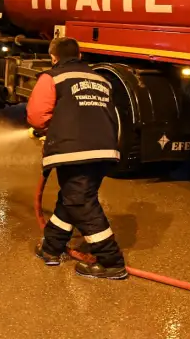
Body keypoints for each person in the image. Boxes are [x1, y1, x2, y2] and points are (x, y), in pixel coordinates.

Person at [26, 37, 127, 280]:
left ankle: (111, 262)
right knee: (73, 197)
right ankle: (52, 248)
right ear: (79, 56)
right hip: (105, 149)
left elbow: (37, 117)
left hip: (74, 151)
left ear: (53, 57)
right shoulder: (101, 79)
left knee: (80, 202)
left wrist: (52, 130)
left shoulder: (52, 77)